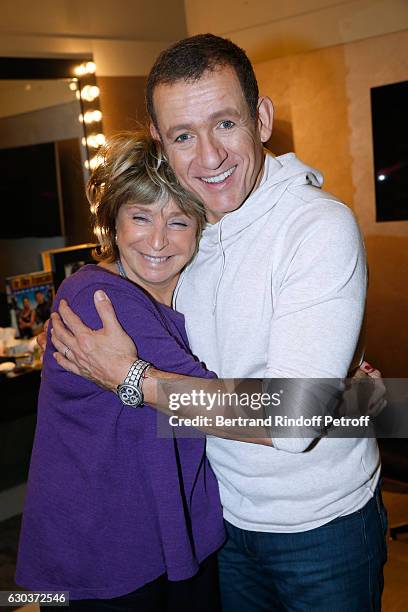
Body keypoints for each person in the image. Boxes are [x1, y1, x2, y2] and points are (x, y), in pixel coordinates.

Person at [49, 35, 387, 611]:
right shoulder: (184, 232)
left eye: (225, 124)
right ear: (161, 140)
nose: (209, 157)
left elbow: (295, 417)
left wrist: (134, 380)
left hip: (320, 529)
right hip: (220, 526)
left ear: (261, 118)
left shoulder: (317, 229)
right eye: (184, 135)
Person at [16, 134, 225, 611]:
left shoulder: (191, 295)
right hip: (103, 562)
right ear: (113, 221)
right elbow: (227, 408)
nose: (157, 240)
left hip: (157, 542)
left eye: (177, 221)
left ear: (199, 228)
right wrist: (351, 402)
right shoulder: (102, 299)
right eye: (140, 217)